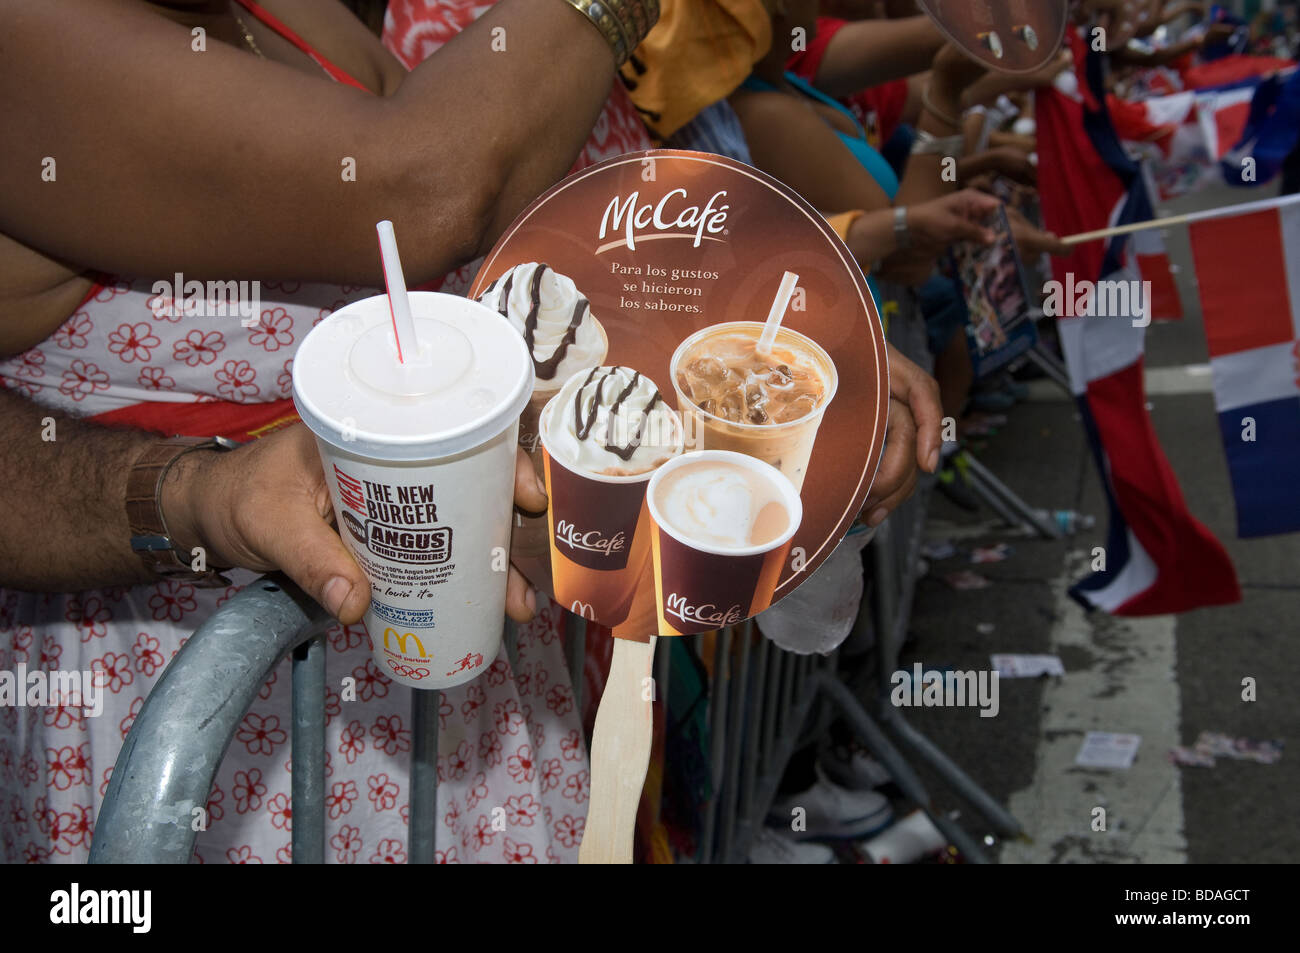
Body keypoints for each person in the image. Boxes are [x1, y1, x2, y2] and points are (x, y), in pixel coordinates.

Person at [0, 0, 660, 864]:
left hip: (455, 699)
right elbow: (434, 185)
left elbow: (481, 255)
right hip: (189, 727)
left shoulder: (279, 11)